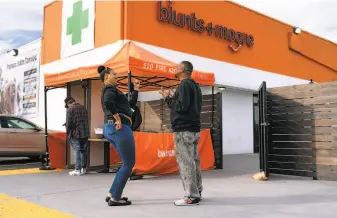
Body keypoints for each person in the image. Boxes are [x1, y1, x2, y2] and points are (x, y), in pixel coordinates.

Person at [160, 61, 203, 206]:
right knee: (194, 161)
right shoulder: (195, 86)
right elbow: (189, 105)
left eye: (177, 66)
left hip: (183, 129)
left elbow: (181, 107)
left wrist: (168, 98)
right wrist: (174, 98)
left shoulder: (184, 85)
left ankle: (191, 195)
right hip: (193, 128)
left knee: (185, 162)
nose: (175, 68)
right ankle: (197, 191)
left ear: (183, 69)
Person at [98, 66, 135, 206]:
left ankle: (112, 193)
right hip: (119, 127)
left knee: (126, 162)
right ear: (106, 76)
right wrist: (118, 119)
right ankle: (115, 198)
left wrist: (135, 89)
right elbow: (108, 102)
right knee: (128, 163)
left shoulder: (111, 90)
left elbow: (129, 105)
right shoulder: (110, 88)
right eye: (114, 74)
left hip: (111, 127)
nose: (116, 76)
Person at [65, 97, 90, 176]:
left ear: (68, 104)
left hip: (76, 133)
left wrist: (67, 131)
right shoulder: (83, 108)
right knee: (83, 151)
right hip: (85, 133)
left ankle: (77, 169)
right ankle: (83, 168)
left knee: (77, 151)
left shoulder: (70, 109)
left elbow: (69, 123)